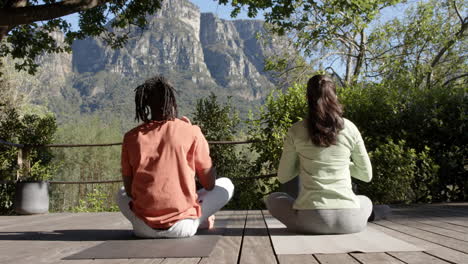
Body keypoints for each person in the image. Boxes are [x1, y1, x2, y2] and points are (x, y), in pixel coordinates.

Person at [116, 75, 234, 238]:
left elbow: (129, 191)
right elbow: (209, 184)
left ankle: (196, 217)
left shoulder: (131, 137)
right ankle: (199, 218)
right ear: (172, 101)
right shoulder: (191, 131)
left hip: (143, 228)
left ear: (146, 103)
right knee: (226, 184)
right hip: (182, 227)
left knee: (120, 192)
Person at [265, 74, 373, 234]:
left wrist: (306, 163)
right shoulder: (350, 128)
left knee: (273, 199)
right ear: (335, 96)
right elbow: (366, 175)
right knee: (366, 201)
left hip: (311, 220)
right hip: (350, 221)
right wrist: (343, 164)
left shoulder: (296, 130)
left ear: (308, 98)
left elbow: (283, 176)